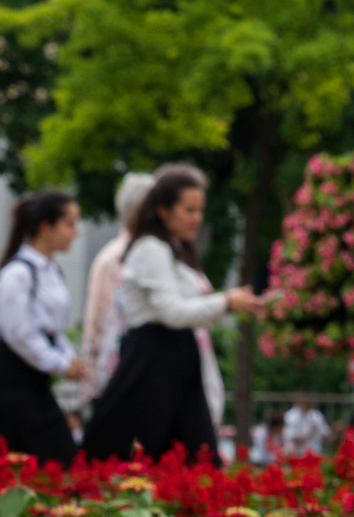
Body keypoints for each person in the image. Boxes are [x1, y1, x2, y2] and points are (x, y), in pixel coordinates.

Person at [83, 164, 265, 465]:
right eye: (189, 210)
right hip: (152, 366)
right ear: (163, 210)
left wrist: (230, 302)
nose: (197, 218)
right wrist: (226, 302)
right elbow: (171, 312)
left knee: (187, 460)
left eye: (200, 210)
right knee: (151, 459)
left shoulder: (173, 250)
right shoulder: (150, 249)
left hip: (173, 365)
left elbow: (187, 311)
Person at [0, 188, 85, 467]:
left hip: (34, 382)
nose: (76, 232)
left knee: (50, 464)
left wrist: (70, 359)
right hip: (13, 384)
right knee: (43, 464)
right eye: (70, 224)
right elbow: (20, 334)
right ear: (46, 228)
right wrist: (62, 364)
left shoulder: (50, 270)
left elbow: (54, 329)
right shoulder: (18, 273)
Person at [81, 171, 155, 397]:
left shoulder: (154, 251)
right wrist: (92, 386)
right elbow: (97, 325)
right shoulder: (114, 258)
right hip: (122, 377)